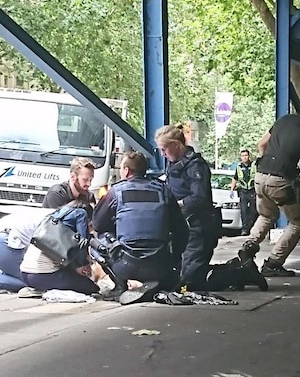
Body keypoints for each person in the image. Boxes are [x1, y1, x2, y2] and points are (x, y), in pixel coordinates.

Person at [247, 99, 300, 277]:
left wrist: (268, 164)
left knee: (266, 215)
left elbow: (261, 144)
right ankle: (273, 263)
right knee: (297, 222)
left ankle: (246, 252)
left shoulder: (284, 120)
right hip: (281, 181)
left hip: (260, 176)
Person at [92, 151, 189, 303]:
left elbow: (98, 224)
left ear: (127, 171)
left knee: (98, 239)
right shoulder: (163, 190)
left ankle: (120, 286)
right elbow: (181, 229)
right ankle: (164, 280)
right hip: (160, 264)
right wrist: (174, 258)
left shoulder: (116, 192)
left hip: (126, 265)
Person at [155, 123, 217, 291]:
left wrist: (176, 205)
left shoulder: (195, 165)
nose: (163, 154)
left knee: (189, 282)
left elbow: (199, 197)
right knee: (174, 277)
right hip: (181, 226)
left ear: (176, 145)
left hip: (198, 226)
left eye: (164, 149)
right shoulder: (174, 163)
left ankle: (236, 273)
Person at [20, 200, 98, 295]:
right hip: (42, 275)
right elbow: (81, 254)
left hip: (24, 273)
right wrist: (85, 262)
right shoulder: (80, 215)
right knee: (90, 287)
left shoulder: (51, 220)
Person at [0, 209, 47, 292]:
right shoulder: (57, 225)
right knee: (35, 281)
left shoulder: (55, 215)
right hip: (0, 241)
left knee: (32, 275)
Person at [230, 149, 257, 235]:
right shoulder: (239, 167)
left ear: (249, 156)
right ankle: (245, 229)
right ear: (241, 157)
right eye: (243, 156)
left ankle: (252, 228)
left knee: (253, 211)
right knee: (244, 211)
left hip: (253, 191)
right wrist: (231, 190)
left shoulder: (254, 165)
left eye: (246, 155)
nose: (244, 157)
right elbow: (235, 178)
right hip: (243, 191)